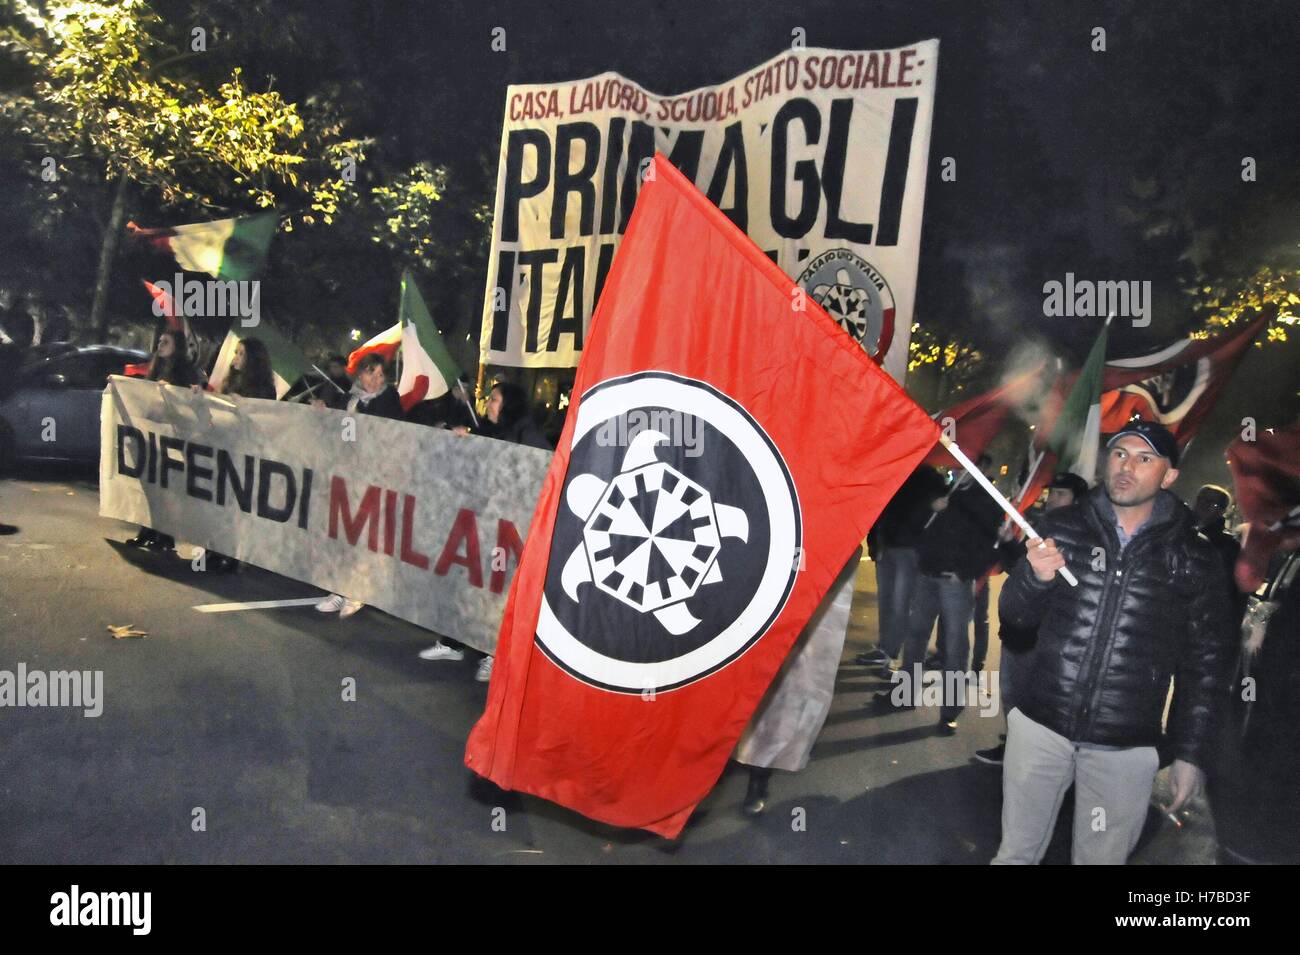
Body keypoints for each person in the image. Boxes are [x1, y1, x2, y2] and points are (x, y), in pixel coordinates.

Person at [993, 421, 1236, 865]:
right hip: (1040, 728)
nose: (1127, 467)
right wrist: (1033, 578)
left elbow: (1206, 663)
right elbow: (1014, 620)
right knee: (1015, 855)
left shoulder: (1193, 556)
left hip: (1125, 746)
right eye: (1120, 453)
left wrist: (1190, 753)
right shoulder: (1061, 527)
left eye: (1145, 459)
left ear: (1168, 476)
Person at [426, 381, 551, 681]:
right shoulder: (488, 429)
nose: (489, 404)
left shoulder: (526, 433)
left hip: (506, 528)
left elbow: (543, 469)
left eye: (494, 399)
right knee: (468, 583)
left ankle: (492, 653)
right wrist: (464, 438)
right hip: (482, 523)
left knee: (496, 592)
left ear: (509, 404)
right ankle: (455, 641)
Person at [874, 453, 1003, 734]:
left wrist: (965, 571)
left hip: (955, 582)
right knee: (916, 635)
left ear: (982, 467)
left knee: (955, 647)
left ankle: (949, 712)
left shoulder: (987, 502)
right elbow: (916, 527)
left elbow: (990, 547)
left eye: (965, 466)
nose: (958, 471)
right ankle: (906, 693)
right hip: (927, 576)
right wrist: (930, 509)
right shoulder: (945, 494)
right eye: (956, 466)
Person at [974, 471, 1088, 765]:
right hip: (1020, 631)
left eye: (1061, 494)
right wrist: (1011, 543)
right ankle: (1014, 746)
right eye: (1053, 493)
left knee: (1034, 698)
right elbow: (1019, 572)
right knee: (1011, 692)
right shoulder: (1042, 527)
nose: (1053, 499)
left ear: (1078, 499)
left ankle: (1030, 757)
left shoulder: (1085, 539)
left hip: (1048, 636)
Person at [313, 353, 403, 618]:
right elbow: (336, 434)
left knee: (364, 537)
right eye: (370, 374)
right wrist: (323, 412)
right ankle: (339, 589)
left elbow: (388, 431)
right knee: (343, 534)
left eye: (380, 375)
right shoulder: (347, 399)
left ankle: (359, 591)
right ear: (360, 375)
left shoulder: (389, 400)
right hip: (347, 475)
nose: (376, 380)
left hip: (375, 477)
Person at [192, 338, 277, 571]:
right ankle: (213, 548)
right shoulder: (229, 383)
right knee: (217, 501)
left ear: (253, 360)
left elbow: (267, 422)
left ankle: (231, 554)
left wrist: (246, 408)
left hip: (244, 452)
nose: (235, 358)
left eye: (241, 354)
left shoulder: (264, 389)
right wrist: (202, 399)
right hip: (223, 446)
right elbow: (214, 414)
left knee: (234, 505)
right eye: (236, 353)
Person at [857, 465, 946, 672]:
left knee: (900, 604)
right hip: (887, 546)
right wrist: (875, 542)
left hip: (910, 550)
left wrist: (933, 506)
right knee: (886, 601)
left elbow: (932, 515)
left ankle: (891, 653)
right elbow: (879, 509)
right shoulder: (895, 468)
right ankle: (884, 648)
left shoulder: (930, 478)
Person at [125, 330, 201, 552]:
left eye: (165, 342)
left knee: (167, 488)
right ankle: (147, 530)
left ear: (176, 346)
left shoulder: (186, 371)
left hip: (173, 437)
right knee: (150, 486)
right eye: (159, 341)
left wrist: (176, 391)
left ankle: (165, 536)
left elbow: (193, 401)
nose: (160, 344)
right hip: (153, 433)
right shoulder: (155, 366)